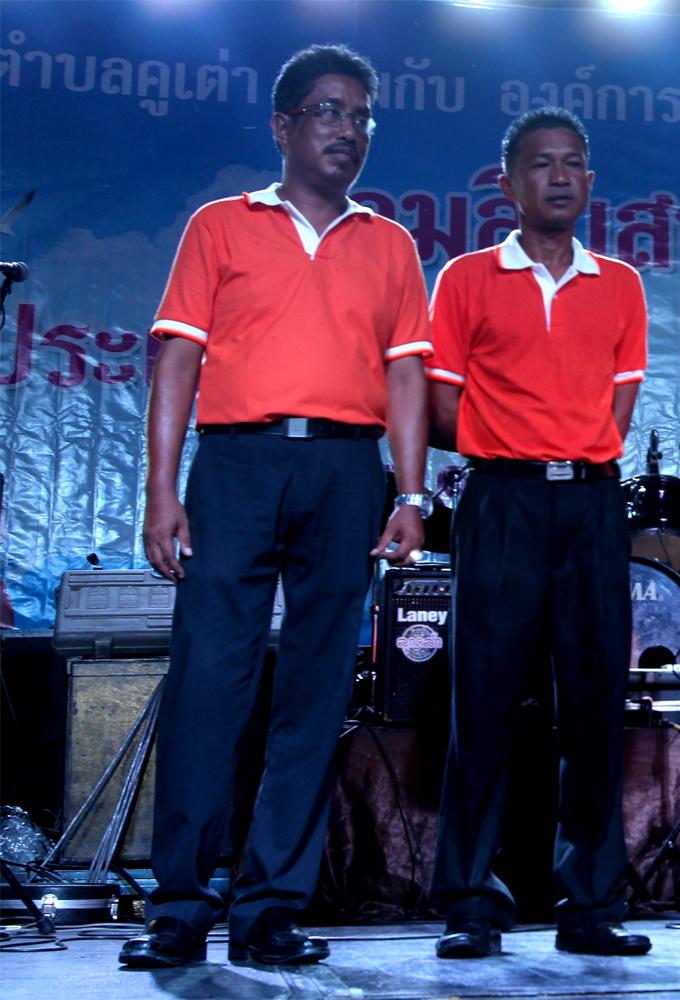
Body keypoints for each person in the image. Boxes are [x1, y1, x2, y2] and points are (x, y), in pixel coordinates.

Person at [120, 44, 431, 968]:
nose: (349, 130)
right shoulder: (222, 225)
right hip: (237, 465)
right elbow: (178, 358)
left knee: (316, 690)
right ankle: (181, 905)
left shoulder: (390, 243)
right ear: (284, 126)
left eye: (362, 116)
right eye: (330, 111)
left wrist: (410, 493)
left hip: (346, 470)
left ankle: (269, 910)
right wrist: (160, 491)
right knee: (210, 683)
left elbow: (406, 377)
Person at [425, 107, 651, 959]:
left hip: (590, 506)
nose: (558, 176)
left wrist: (569, 454)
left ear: (589, 181)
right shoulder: (467, 278)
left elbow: (617, 413)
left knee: (592, 706)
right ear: (509, 183)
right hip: (500, 502)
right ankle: (472, 900)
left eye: (572, 163)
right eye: (540, 163)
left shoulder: (620, 283)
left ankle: (590, 904)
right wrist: (512, 445)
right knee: (482, 703)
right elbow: (440, 406)